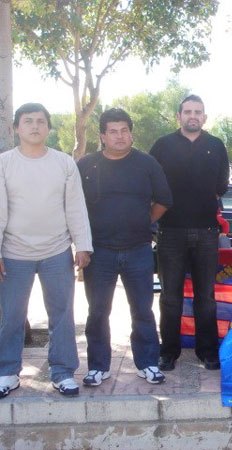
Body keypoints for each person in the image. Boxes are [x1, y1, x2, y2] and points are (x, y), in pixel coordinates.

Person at [0, 103, 93, 398]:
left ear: (49, 128)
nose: (35, 127)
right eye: (28, 121)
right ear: (17, 128)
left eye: (41, 121)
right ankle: (6, 371)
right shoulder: (4, 163)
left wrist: (83, 246)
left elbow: (75, 207)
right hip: (14, 253)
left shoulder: (64, 163)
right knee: (11, 315)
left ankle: (63, 372)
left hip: (56, 251)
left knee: (63, 314)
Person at [78, 108, 172, 386]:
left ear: (131, 133)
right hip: (99, 251)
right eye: (113, 131)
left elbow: (164, 200)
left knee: (143, 309)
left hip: (138, 250)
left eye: (124, 130)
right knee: (97, 311)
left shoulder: (147, 163)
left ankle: (148, 364)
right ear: (102, 136)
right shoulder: (86, 165)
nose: (120, 136)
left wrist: (144, 222)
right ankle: (98, 366)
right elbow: (74, 206)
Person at [150, 95, 229, 371]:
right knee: (170, 297)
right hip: (170, 232)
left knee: (205, 297)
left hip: (207, 232)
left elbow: (221, 185)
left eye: (198, 112)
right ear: (178, 116)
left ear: (204, 117)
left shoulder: (216, 145)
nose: (192, 116)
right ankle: (168, 351)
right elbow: (151, 183)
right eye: (187, 112)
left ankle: (207, 351)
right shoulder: (162, 145)